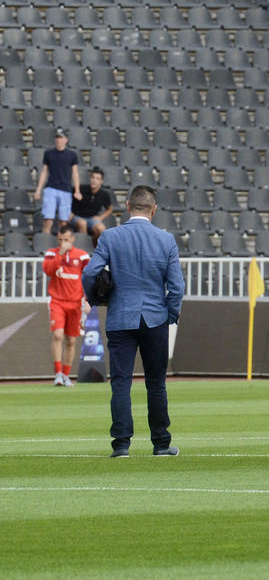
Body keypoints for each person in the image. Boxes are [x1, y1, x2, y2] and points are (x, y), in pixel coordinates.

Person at [83, 185, 183, 458]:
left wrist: (95, 299)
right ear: (154, 209)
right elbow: (177, 287)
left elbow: (91, 271)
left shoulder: (110, 237)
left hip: (120, 317)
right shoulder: (166, 240)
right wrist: (170, 314)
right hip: (155, 318)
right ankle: (161, 443)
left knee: (120, 382)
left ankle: (121, 445)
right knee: (156, 383)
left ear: (127, 206)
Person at [42, 225, 90, 387]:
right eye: (60, 240)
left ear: (73, 239)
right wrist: (61, 254)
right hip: (57, 301)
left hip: (76, 303)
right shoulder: (51, 253)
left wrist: (88, 300)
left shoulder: (82, 256)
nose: (63, 243)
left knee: (71, 340)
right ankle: (57, 374)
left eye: (66, 240)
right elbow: (48, 271)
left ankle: (66, 375)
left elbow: (89, 278)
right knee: (57, 335)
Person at [34, 129, 82, 235]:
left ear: (66, 140)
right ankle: (45, 246)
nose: (59, 140)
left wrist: (77, 190)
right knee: (48, 220)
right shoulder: (48, 153)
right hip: (51, 188)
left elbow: (75, 173)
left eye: (61, 137)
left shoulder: (72, 155)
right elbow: (44, 172)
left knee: (63, 222)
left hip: (66, 189)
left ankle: (62, 248)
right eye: (57, 137)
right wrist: (38, 190)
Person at [69, 167, 113, 248]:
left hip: (91, 218)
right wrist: (69, 213)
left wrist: (100, 217)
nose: (94, 180)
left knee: (101, 228)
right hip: (76, 217)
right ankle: (85, 248)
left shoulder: (104, 194)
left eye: (97, 178)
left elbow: (110, 209)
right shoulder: (80, 189)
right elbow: (66, 198)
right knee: (82, 223)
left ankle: (95, 248)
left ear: (101, 181)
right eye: (92, 177)